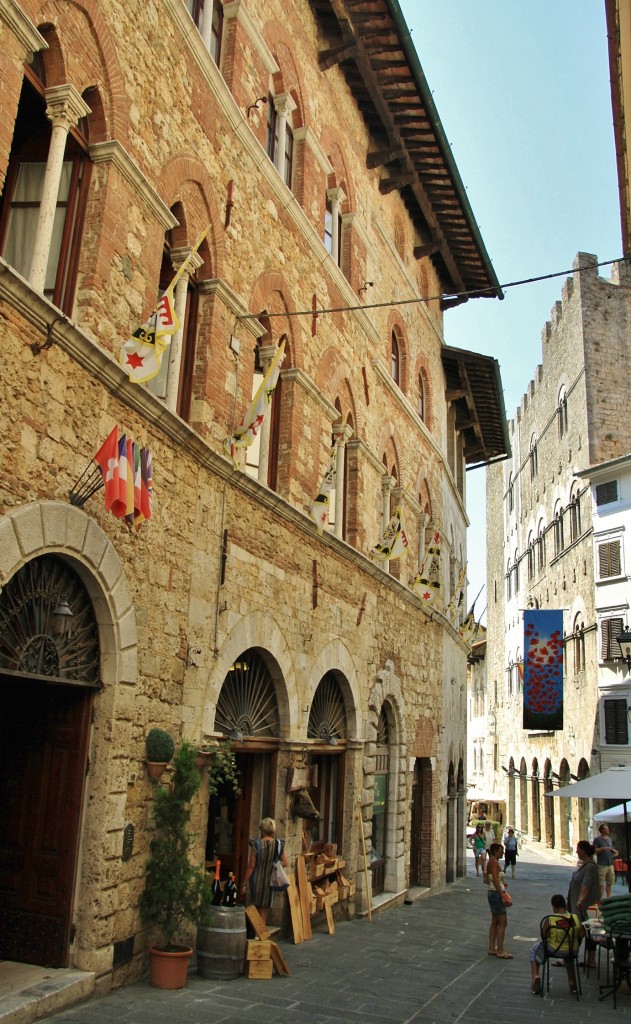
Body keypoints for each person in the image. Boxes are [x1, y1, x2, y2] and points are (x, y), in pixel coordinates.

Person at [529, 894, 584, 994]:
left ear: (554, 907)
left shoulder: (550, 919)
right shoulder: (574, 917)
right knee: (569, 954)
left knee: (534, 948)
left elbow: (544, 936)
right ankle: (572, 981)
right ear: (565, 905)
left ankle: (535, 977)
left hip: (555, 949)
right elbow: (581, 934)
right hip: (572, 950)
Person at [240, 817, 288, 924]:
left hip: (257, 881)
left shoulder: (256, 845)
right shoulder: (279, 845)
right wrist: (274, 862)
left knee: (256, 910)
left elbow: (251, 866)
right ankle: (262, 936)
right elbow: (285, 863)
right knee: (264, 913)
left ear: (262, 830)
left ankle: (255, 935)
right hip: (271, 882)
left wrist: (244, 883)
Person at [567, 839, 601, 968]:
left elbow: (586, 885)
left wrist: (580, 900)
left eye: (578, 849)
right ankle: (586, 959)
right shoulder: (586, 865)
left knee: (582, 932)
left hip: (586, 907)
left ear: (583, 850)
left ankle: (571, 956)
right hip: (583, 906)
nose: (576, 851)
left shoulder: (590, 866)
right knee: (585, 932)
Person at [484, 841, 513, 959]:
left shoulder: (491, 862)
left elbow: (487, 879)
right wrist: (502, 894)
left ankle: (492, 947)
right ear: (495, 851)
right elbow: (495, 880)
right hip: (496, 894)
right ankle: (500, 950)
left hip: (493, 892)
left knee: (495, 921)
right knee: (502, 922)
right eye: (501, 851)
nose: (503, 853)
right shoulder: (493, 863)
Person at [593, 824, 618, 898]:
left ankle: (609, 897)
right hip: (602, 864)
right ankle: (601, 899)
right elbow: (594, 850)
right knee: (601, 883)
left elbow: (611, 848)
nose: (608, 830)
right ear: (602, 830)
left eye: (608, 829)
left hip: (610, 864)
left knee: (609, 882)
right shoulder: (597, 840)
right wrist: (603, 848)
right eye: (606, 829)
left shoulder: (609, 839)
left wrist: (614, 851)